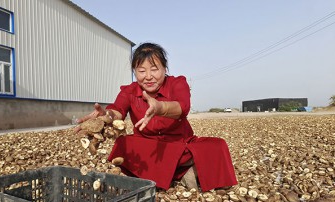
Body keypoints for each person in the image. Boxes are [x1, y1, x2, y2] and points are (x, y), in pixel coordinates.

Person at [75, 42, 237, 191]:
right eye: (141, 71)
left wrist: (161, 107)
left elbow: (183, 107)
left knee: (218, 145)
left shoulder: (177, 83)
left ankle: (172, 174)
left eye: (154, 69)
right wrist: (105, 117)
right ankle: (182, 174)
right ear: (134, 72)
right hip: (149, 147)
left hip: (180, 145)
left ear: (165, 69)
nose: (148, 76)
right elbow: (117, 110)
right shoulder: (129, 91)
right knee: (123, 144)